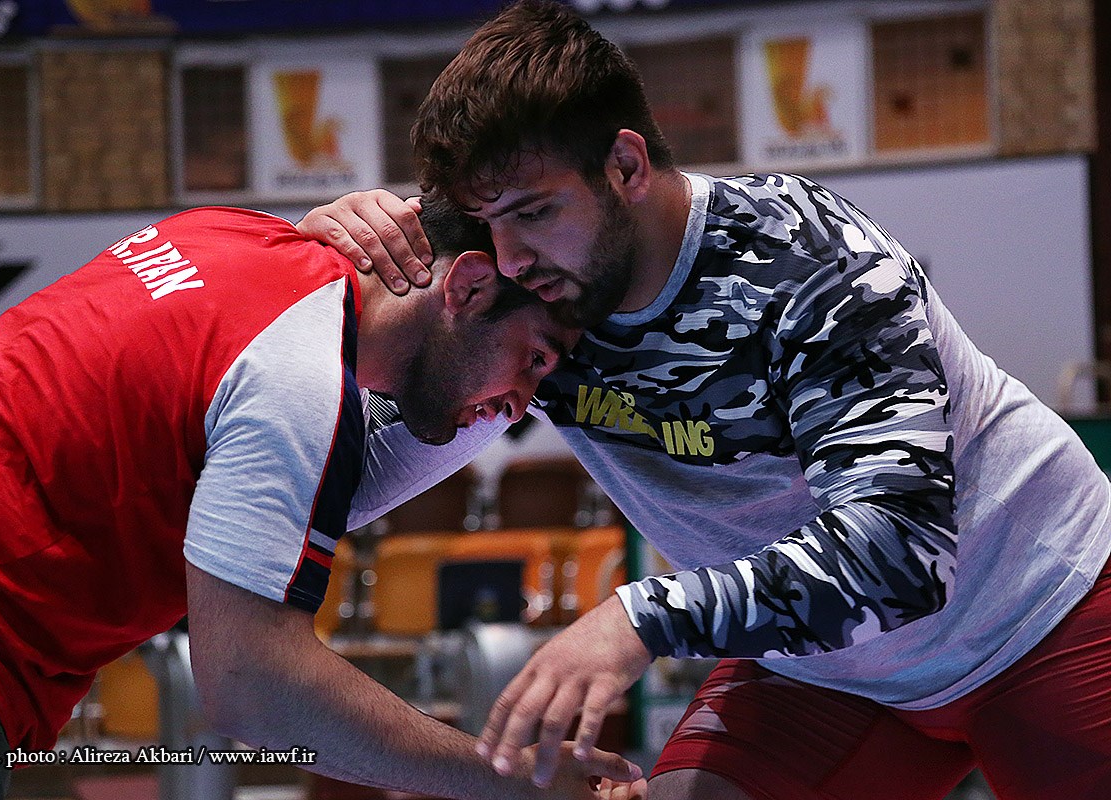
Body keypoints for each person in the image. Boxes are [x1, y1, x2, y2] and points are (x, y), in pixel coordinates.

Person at [296, 2, 1111, 798]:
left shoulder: (807, 259)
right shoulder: (528, 289)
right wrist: (319, 279)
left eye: (534, 212)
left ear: (625, 167)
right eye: (487, 224)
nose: (510, 258)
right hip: (823, 669)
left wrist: (642, 617)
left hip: (1043, 613)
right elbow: (339, 474)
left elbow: (901, 555)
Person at [0, 198, 648, 800]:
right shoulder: (297, 382)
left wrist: (488, 381)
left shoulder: (232, 231)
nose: (519, 406)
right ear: (470, 288)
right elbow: (252, 689)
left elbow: (358, 461)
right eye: (534, 360)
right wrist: (512, 782)